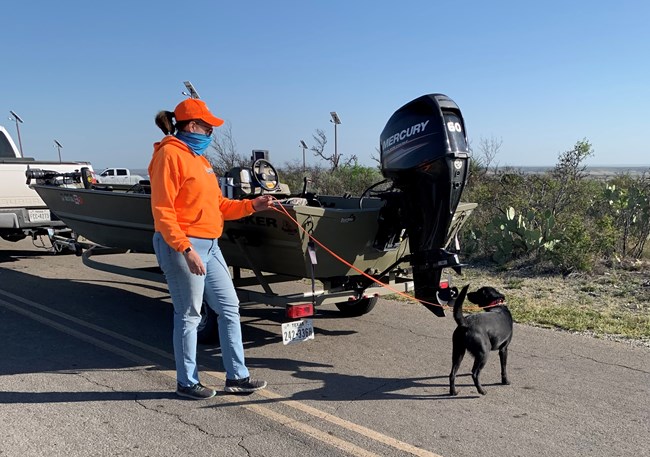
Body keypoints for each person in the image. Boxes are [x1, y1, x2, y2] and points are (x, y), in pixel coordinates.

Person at [149, 98, 273, 399]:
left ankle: (237, 377)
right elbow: (163, 211)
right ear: (192, 126)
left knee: (229, 308)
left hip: (211, 245)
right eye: (207, 128)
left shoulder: (201, 161)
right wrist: (185, 249)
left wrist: (252, 205)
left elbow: (218, 205)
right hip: (183, 245)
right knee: (189, 314)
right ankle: (186, 382)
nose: (210, 134)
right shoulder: (169, 155)